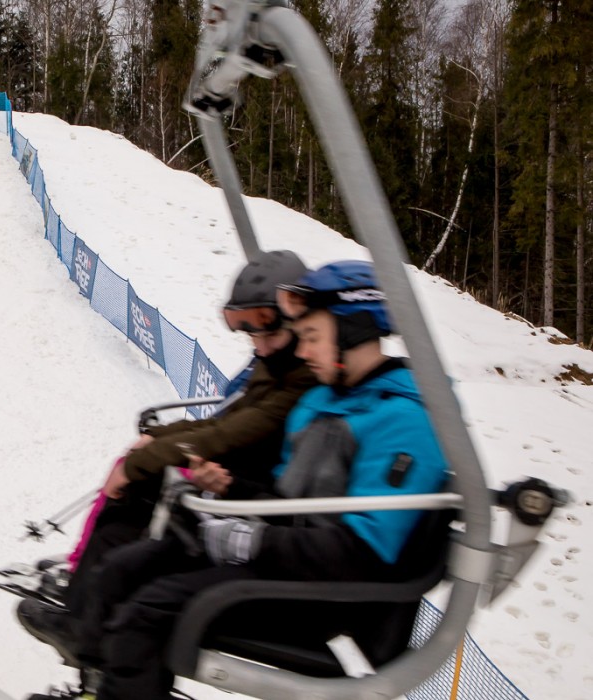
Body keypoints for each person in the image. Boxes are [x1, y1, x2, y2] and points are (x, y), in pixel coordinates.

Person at [26, 260, 451, 700]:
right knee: (123, 568)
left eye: (311, 337)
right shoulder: (322, 403)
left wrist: (247, 541)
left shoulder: (404, 423)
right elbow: (287, 502)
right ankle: (99, 687)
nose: (303, 353)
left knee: (149, 608)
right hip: (281, 564)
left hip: (326, 593)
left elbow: (364, 551)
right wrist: (232, 489)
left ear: (353, 331)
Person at [18, 251, 318, 655]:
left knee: (137, 488)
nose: (259, 346)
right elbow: (226, 420)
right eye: (248, 332)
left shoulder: (302, 377)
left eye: (268, 332)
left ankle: (86, 613)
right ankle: (85, 598)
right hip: (236, 475)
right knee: (133, 489)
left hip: (249, 491)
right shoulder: (277, 364)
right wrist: (156, 440)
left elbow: (233, 431)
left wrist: (146, 459)